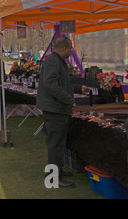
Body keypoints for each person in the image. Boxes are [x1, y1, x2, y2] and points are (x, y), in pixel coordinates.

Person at [36, 36, 89, 188]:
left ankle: (57, 170)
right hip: (55, 109)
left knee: (58, 143)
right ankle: (53, 178)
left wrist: (78, 89)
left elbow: (62, 83)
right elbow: (50, 83)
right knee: (55, 144)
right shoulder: (54, 61)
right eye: (71, 48)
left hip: (57, 108)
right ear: (64, 48)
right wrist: (69, 99)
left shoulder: (57, 61)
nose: (71, 51)